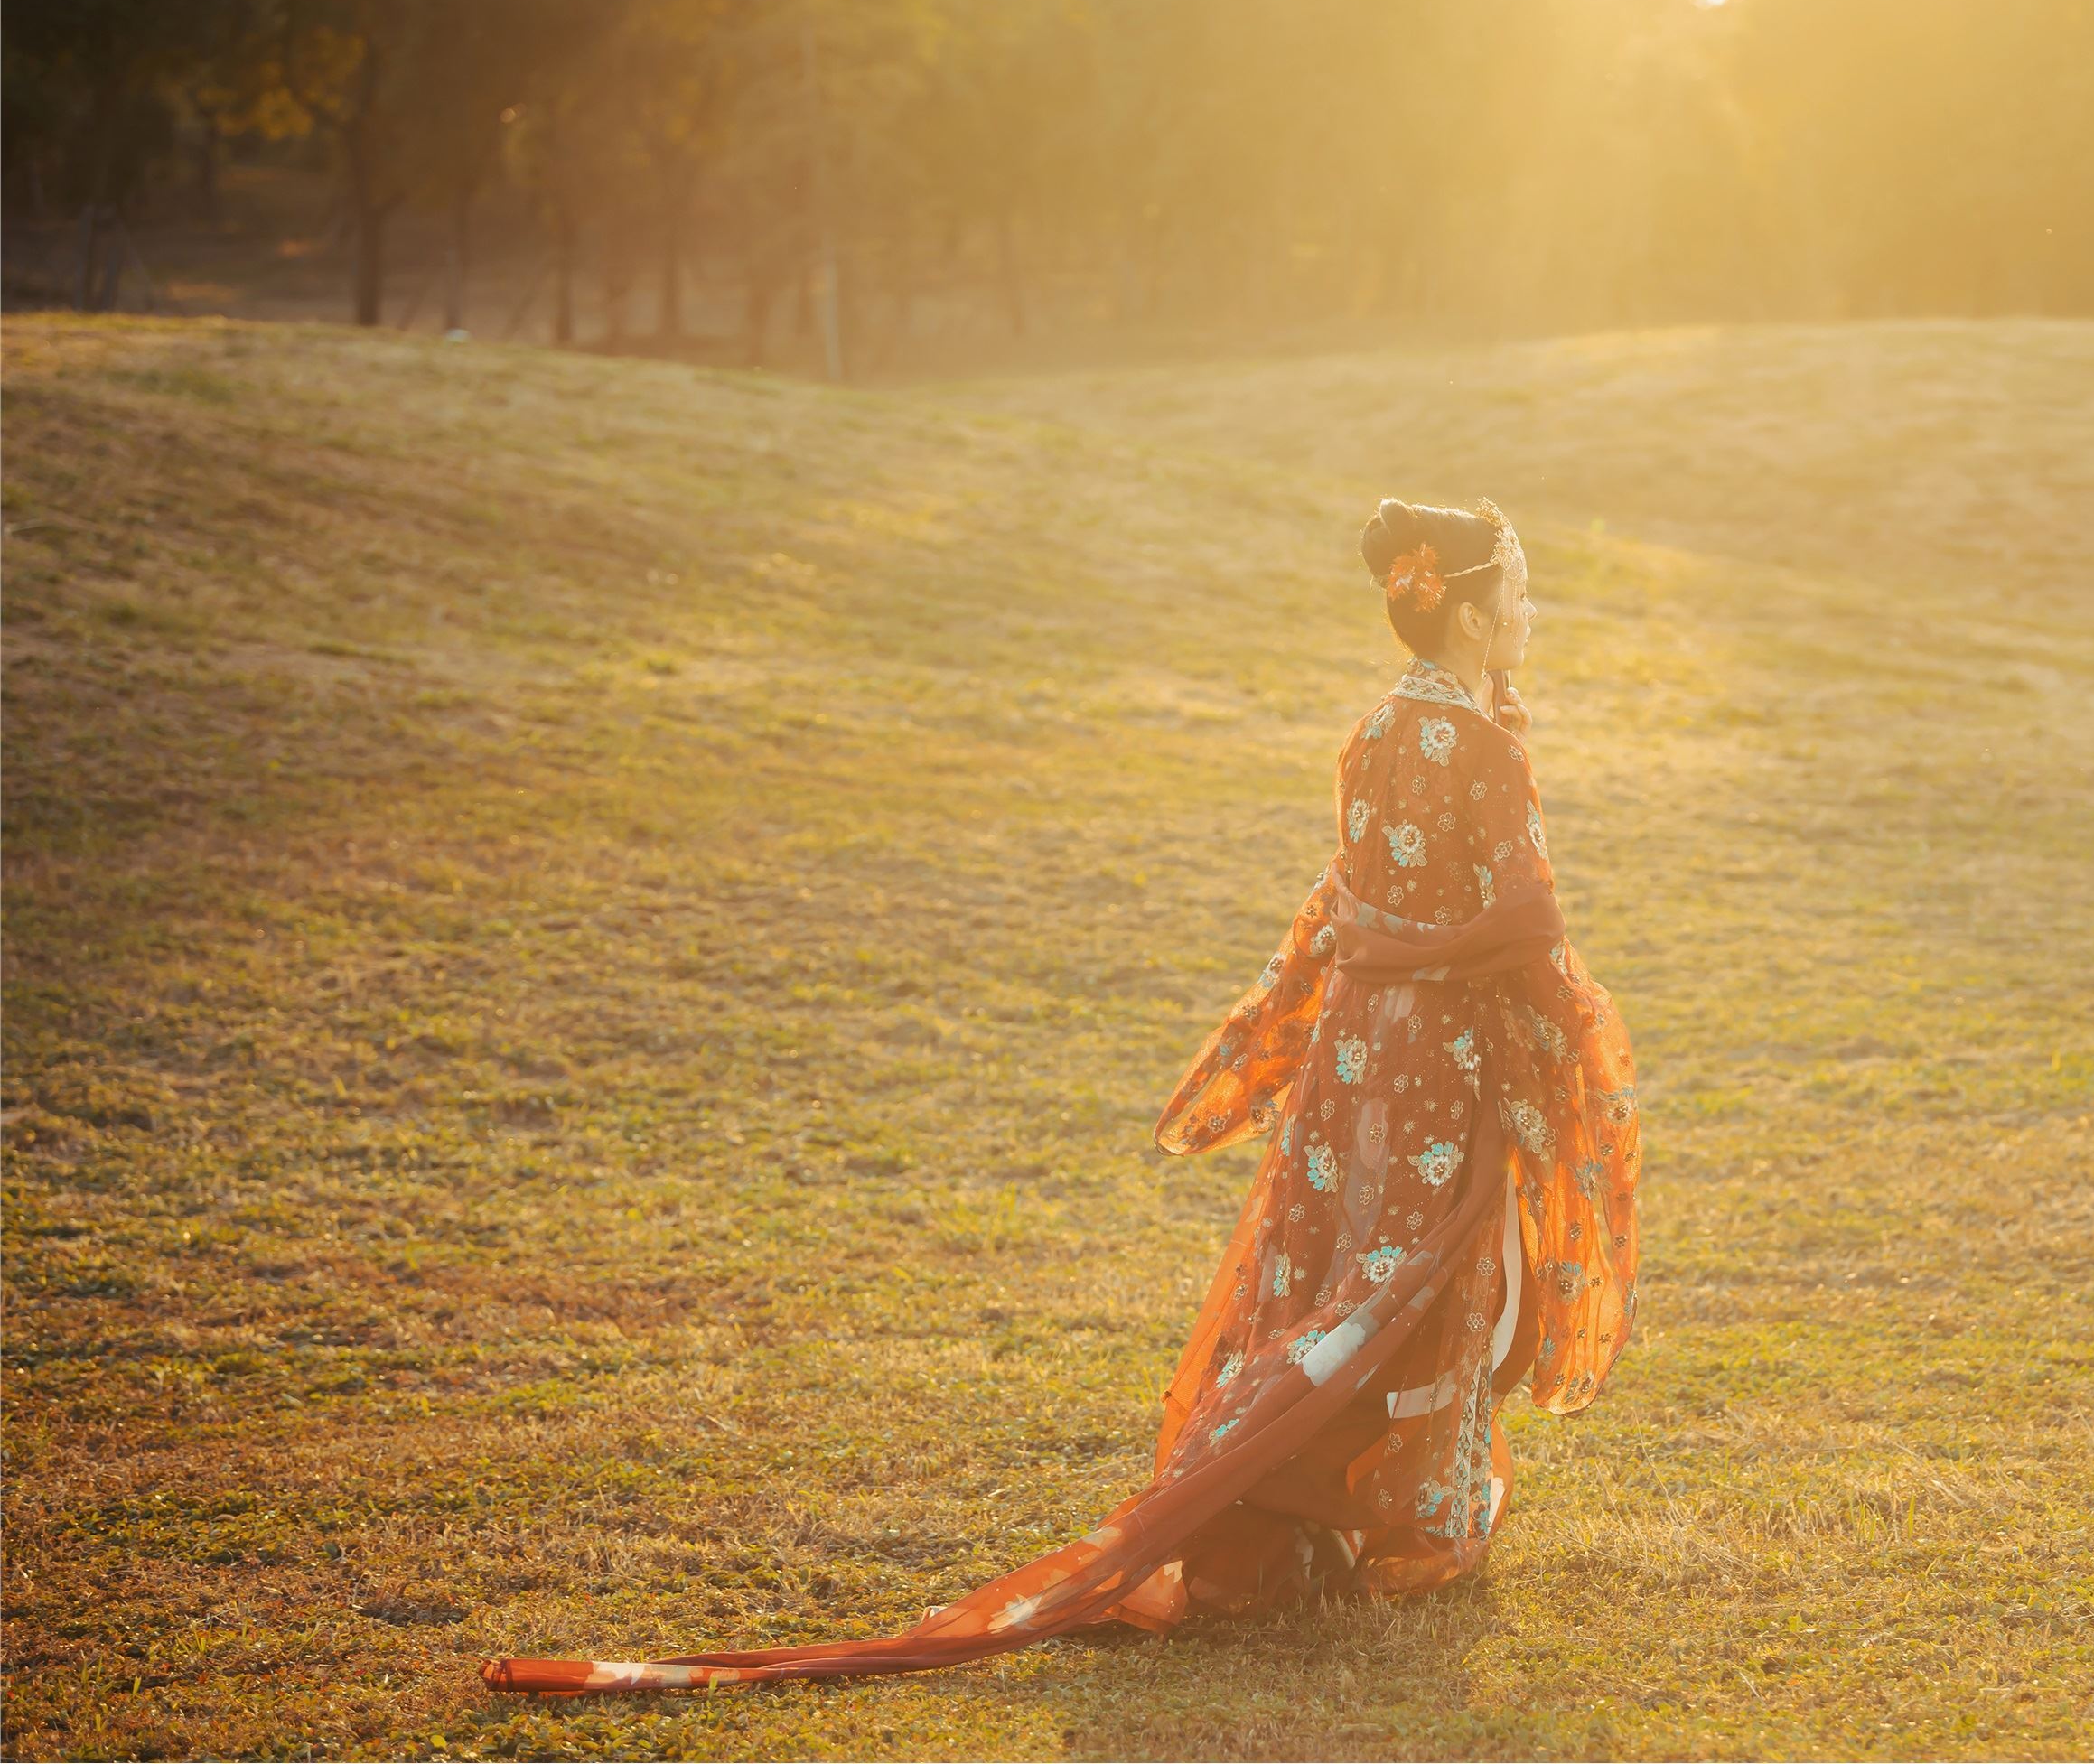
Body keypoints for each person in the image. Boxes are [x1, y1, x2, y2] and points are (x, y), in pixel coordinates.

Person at [483, 498, 1640, 1694]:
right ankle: (1423, 1527)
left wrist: (1387, 963)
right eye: (1517, 591)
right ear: (1464, 606)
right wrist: (1559, 1048)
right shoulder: (1488, 751)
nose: (1531, 613)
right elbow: (1526, 921)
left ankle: (1295, 1510)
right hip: (1439, 1053)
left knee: (1338, 1279)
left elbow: (1360, 902)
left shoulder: (1373, 731)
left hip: (1355, 1058)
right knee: (1433, 1281)